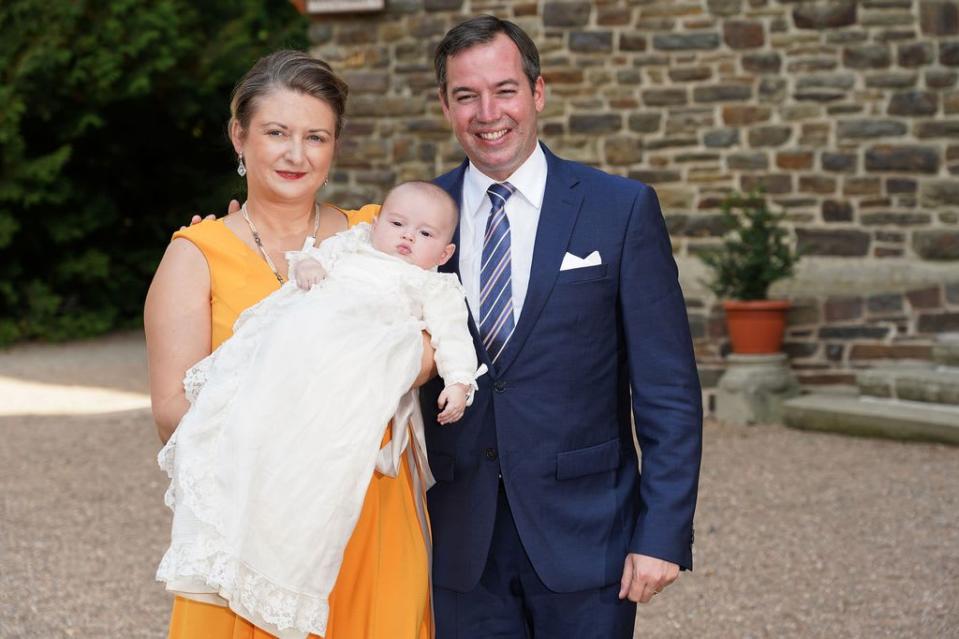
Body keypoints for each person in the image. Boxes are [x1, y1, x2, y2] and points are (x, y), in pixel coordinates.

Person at [416, 16, 704, 638]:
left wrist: (662, 533)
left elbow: (668, 390)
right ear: (445, 105)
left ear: (538, 92)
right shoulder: (413, 219)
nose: (488, 112)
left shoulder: (620, 210)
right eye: (466, 95)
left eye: (505, 90)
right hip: (456, 546)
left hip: (588, 541)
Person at [145, 51, 436, 639]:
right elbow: (172, 412)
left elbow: (430, 344)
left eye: (315, 136)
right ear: (239, 136)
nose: (295, 154)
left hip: (369, 511)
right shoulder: (196, 255)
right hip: (253, 522)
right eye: (276, 132)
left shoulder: (377, 235)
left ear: (334, 146)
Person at [157, 180, 482, 639]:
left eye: (426, 235)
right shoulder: (354, 243)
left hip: (357, 442)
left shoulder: (431, 284)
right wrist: (308, 265)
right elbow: (313, 263)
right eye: (398, 225)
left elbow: (452, 337)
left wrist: (460, 380)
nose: (408, 236)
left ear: (445, 253)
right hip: (300, 358)